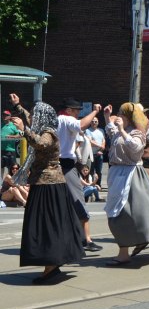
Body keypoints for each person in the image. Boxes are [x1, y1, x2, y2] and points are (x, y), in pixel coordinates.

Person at [12, 102, 84, 284]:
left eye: (37, 114)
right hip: (44, 183)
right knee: (47, 225)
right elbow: (30, 118)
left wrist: (24, 130)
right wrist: (18, 107)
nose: (32, 117)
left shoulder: (49, 132)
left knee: (46, 226)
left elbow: (41, 144)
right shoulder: (44, 127)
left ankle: (51, 267)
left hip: (49, 185)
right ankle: (52, 265)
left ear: (42, 116)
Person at [102, 103, 149, 265]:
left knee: (126, 214)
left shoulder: (140, 131)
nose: (118, 116)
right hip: (117, 174)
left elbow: (136, 148)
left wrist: (123, 130)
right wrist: (107, 117)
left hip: (130, 174)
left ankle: (125, 251)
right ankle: (136, 242)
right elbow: (111, 133)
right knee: (130, 213)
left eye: (120, 113)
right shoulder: (119, 129)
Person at [54, 97, 103, 253]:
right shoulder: (66, 119)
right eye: (77, 111)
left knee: (59, 204)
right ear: (69, 110)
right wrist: (95, 111)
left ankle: (66, 238)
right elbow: (82, 124)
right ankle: (86, 239)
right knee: (78, 201)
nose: (78, 114)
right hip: (66, 167)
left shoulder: (56, 120)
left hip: (56, 165)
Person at [85, 117, 105, 187]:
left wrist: (101, 149)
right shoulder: (88, 131)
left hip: (99, 154)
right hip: (91, 154)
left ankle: (98, 184)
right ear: (90, 123)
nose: (94, 123)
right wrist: (100, 146)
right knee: (91, 171)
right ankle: (91, 184)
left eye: (95, 121)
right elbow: (90, 141)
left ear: (98, 122)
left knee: (99, 171)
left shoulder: (101, 130)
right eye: (92, 121)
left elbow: (103, 141)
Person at [1, 109, 21, 177]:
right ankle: (1, 182)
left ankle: (12, 182)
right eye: (3, 115)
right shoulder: (1, 125)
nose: (4, 116)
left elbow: (19, 135)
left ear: (10, 116)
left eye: (6, 115)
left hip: (10, 150)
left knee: (12, 167)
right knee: (1, 167)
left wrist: (11, 136)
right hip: (1, 150)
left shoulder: (13, 125)